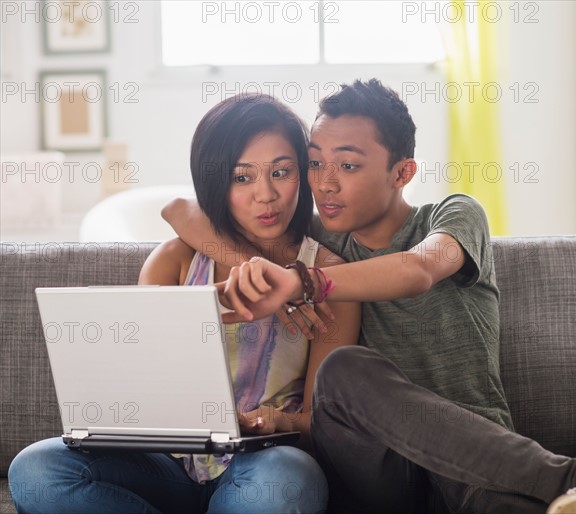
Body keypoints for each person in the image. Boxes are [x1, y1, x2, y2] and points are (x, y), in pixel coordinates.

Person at [161, 79, 576, 514]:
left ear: (403, 172)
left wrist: (303, 284)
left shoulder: (454, 215)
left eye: (347, 166)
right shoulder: (319, 237)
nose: (325, 185)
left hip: (476, 465)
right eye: (314, 164)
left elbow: (418, 270)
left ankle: (575, 483)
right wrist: (253, 270)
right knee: (343, 371)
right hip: (378, 476)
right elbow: (182, 210)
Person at [7, 94, 360, 514]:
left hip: (259, 464)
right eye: (241, 177)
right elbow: (138, 386)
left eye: (281, 172)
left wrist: (280, 421)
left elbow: (320, 425)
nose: (266, 195)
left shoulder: (328, 275)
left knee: (285, 480)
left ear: (301, 174)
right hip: (163, 468)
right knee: (36, 470)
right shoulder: (174, 259)